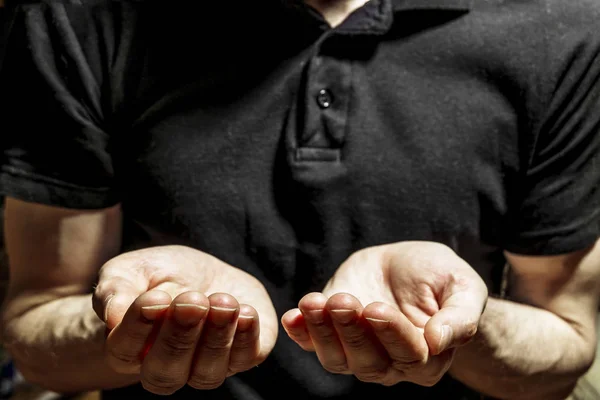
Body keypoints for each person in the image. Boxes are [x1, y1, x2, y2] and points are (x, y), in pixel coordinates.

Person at [0, 0, 599, 399]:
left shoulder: (564, 25)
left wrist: (460, 320)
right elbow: (39, 329)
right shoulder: (77, 16)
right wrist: (135, 321)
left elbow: (567, 341)